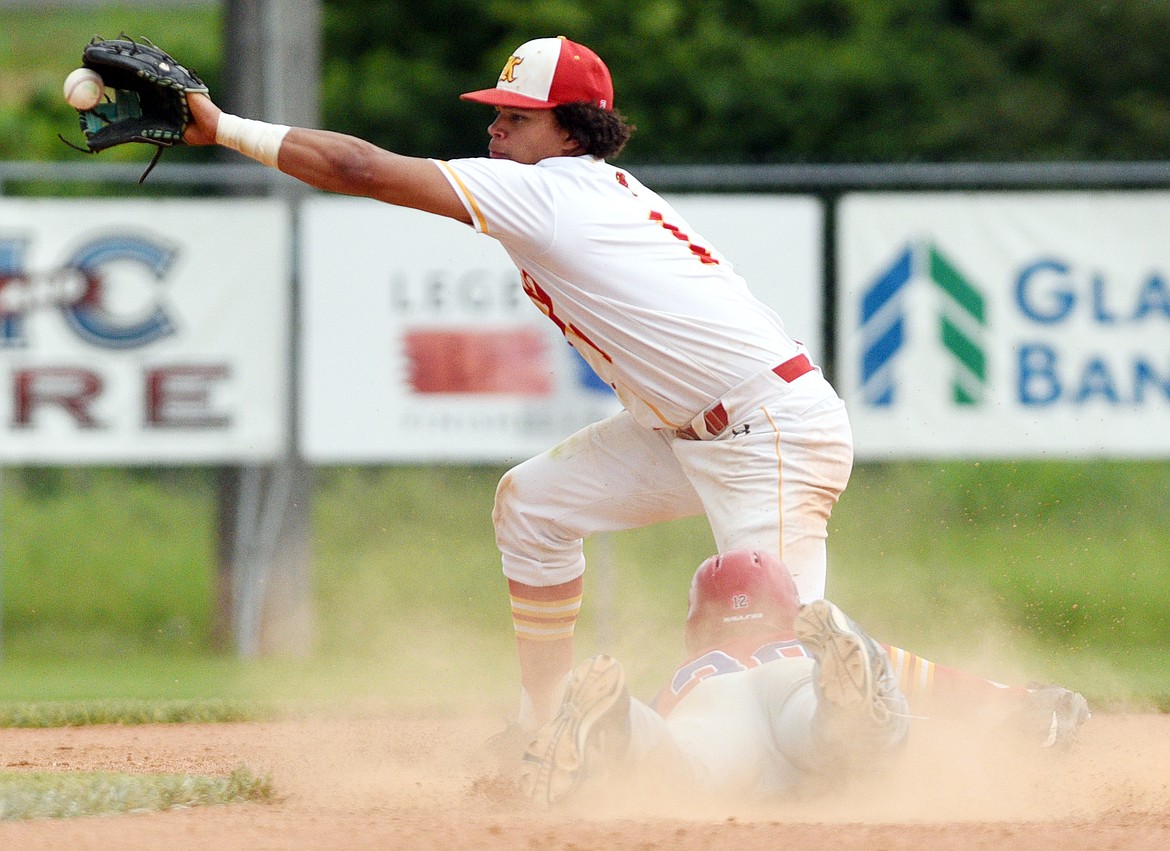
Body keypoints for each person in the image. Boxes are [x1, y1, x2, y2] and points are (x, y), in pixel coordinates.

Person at [182, 35, 853, 733]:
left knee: (781, 670)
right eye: (496, 112)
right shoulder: (576, 188)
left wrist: (223, 126)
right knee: (532, 507)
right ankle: (548, 726)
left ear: (572, 129)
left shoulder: (550, 192)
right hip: (690, 429)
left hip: (770, 430)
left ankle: (911, 736)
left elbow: (358, 167)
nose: (495, 129)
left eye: (518, 117)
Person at [519, 549, 1091, 806]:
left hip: (710, 708)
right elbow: (949, 688)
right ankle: (850, 701)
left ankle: (614, 720)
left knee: (675, 763)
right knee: (848, 739)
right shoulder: (796, 643)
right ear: (791, 609)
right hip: (797, 680)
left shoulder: (688, 674)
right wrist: (1024, 701)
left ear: (697, 626)